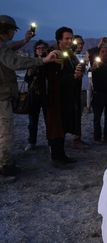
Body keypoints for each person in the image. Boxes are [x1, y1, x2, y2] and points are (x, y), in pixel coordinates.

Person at [0, 15, 56, 180]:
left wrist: (25, 41)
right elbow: (15, 62)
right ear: (6, 29)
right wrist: (43, 60)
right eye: (12, 30)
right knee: (5, 133)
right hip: (2, 97)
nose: (13, 34)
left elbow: (8, 49)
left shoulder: (3, 46)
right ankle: (5, 167)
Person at [45, 26, 84, 167]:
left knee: (63, 126)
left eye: (71, 38)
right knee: (56, 127)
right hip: (55, 98)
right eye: (66, 38)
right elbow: (53, 78)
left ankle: (61, 155)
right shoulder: (54, 54)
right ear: (59, 39)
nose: (69, 41)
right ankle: (56, 157)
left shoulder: (69, 54)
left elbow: (75, 69)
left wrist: (79, 72)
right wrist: (72, 76)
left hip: (67, 97)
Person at [23, 40, 49, 151]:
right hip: (34, 95)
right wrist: (31, 70)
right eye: (38, 48)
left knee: (49, 120)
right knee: (33, 121)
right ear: (35, 50)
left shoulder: (49, 62)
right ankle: (32, 141)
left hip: (47, 95)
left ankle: (50, 141)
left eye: (43, 48)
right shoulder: (32, 61)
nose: (41, 50)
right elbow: (26, 79)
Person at [91, 45, 107, 143]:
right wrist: (93, 67)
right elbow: (90, 73)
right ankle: (97, 137)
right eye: (102, 51)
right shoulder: (95, 64)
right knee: (97, 117)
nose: (105, 53)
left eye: (106, 51)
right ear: (99, 53)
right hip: (99, 94)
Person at [71, 34, 89, 149]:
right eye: (78, 43)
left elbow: (88, 71)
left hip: (83, 90)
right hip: (73, 90)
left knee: (79, 115)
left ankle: (77, 138)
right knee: (74, 114)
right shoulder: (70, 56)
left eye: (82, 43)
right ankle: (75, 139)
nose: (80, 45)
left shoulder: (84, 56)